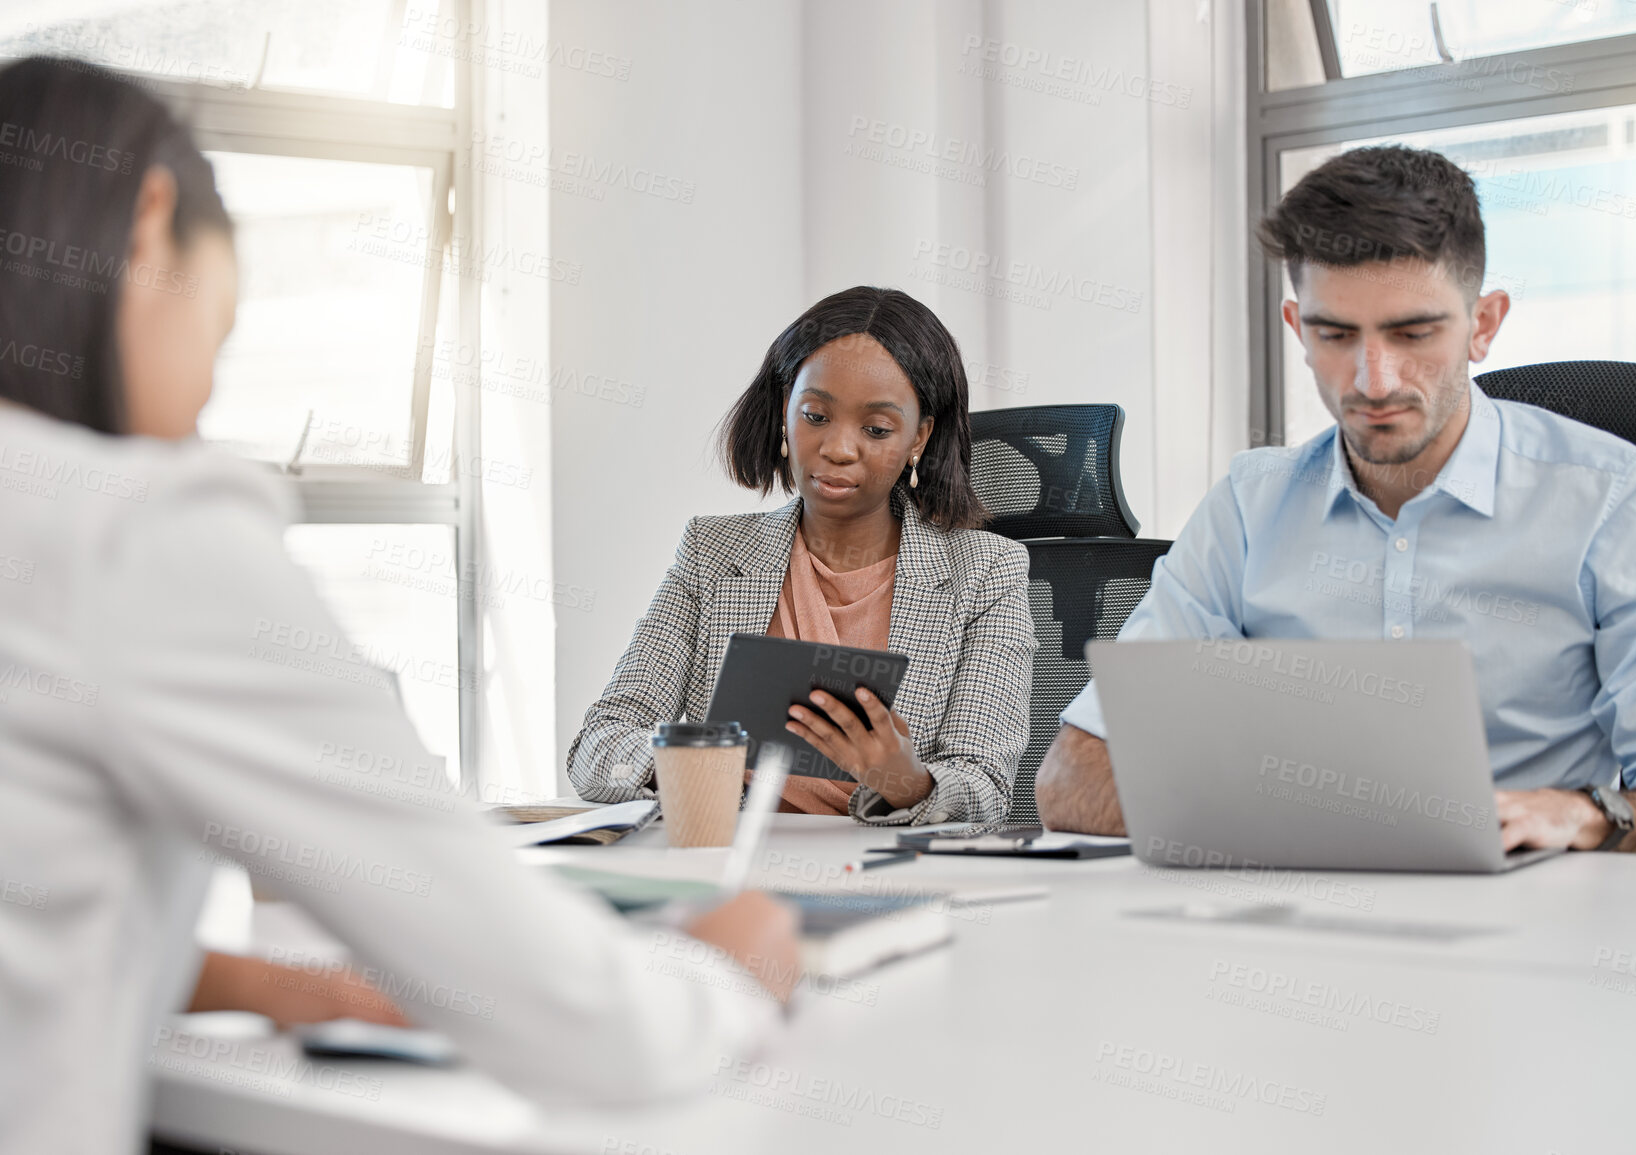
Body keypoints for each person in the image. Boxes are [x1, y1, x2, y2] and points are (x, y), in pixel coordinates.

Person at [0, 57, 799, 1155]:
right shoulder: (130, 532)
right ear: (146, 225)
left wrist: (270, 986)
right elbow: (587, 1031)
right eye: (219, 339)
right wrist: (724, 971)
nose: (197, 408)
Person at [1036, 145, 1636, 856]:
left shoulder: (1612, 500)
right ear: (1296, 328)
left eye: (1413, 332)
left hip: (1528, 920)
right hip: (1298, 922)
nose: (1373, 379)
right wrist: (1355, 826)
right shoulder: (1247, 507)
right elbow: (1073, 780)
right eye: (1334, 334)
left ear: (1483, 323)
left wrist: (1583, 814)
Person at [569, 287, 1034, 826]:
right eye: (816, 416)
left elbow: (987, 789)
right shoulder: (711, 554)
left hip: (883, 873)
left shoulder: (986, 573)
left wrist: (905, 780)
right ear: (786, 413)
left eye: (877, 429)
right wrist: (689, 768)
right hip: (727, 857)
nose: (838, 448)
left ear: (918, 438)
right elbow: (598, 746)